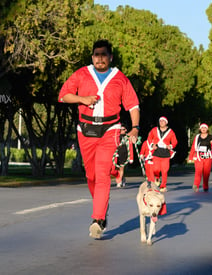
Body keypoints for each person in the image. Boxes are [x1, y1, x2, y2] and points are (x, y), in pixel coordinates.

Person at [58, 39, 140, 239]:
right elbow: (63, 95)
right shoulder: (81, 74)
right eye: (97, 54)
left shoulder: (120, 78)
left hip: (110, 129)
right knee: (91, 176)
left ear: (110, 57)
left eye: (104, 55)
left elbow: (133, 105)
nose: (100, 58)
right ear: (92, 56)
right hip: (85, 129)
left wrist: (135, 128)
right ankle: (102, 206)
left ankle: (98, 219)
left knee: (102, 174)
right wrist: (82, 99)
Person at [147, 116, 177, 192]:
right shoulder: (154, 130)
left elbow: (174, 141)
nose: (161, 122)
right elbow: (149, 138)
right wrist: (152, 145)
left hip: (165, 153)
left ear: (166, 123)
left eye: (163, 121)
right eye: (160, 121)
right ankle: (157, 177)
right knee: (155, 169)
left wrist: (170, 146)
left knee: (164, 170)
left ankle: (163, 186)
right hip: (156, 152)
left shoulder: (170, 132)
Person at [188, 123, 212, 192]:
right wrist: (191, 157)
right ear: (200, 129)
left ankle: (205, 185)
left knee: (206, 172)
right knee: (198, 171)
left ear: (207, 129)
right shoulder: (197, 137)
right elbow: (193, 147)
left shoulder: (210, 137)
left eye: (205, 128)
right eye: (202, 128)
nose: (203, 129)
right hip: (198, 156)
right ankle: (196, 185)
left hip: (207, 157)